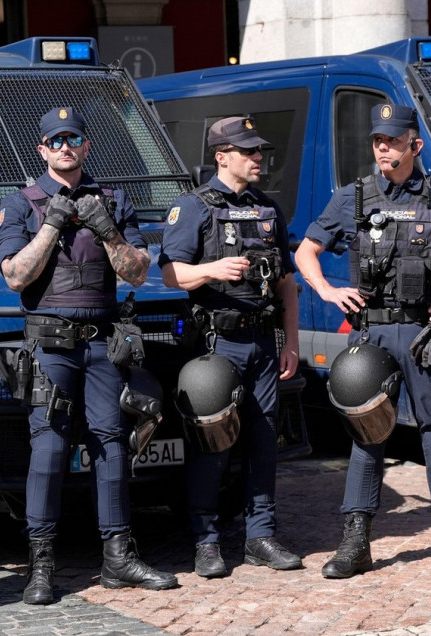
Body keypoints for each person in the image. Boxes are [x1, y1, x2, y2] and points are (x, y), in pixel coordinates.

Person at [294, 103, 431, 579]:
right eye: (378, 141)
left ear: (415, 145)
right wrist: (327, 290)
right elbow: (305, 251)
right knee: (367, 431)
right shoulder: (352, 198)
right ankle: (355, 543)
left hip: (421, 333)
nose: (383, 148)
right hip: (370, 333)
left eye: (393, 141)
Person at [0, 107, 178, 604]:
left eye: (72, 138)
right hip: (50, 344)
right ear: (42, 150)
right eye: (54, 140)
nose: (64, 147)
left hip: (101, 341)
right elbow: (16, 276)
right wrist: (52, 224)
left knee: (113, 444)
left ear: (86, 145)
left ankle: (118, 557)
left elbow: (138, 273)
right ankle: (41, 566)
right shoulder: (20, 204)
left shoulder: (114, 200)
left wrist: (108, 230)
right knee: (49, 450)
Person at [159, 116, 303, 578]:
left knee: (263, 442)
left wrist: (291, 343)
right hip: (216, 344)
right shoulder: (194, 207)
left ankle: (260, 536)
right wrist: (213, 270)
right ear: (222, 156)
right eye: (249, 151)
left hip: (262, 341)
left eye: (259, 151)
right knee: (213, 442)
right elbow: (169, 274)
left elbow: (287, 285)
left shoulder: (267, 210)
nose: (258, 157)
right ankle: (206, 540)